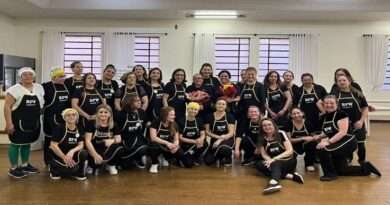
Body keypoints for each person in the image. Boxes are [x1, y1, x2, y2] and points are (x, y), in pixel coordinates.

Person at [315, 95, 381, 181]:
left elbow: (342, 132)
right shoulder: (323, 117)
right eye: (326, 103)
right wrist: (319, 136)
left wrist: (328, 142)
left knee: (323, 149)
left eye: (331, 103)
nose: (329, 105)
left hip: (348, 142)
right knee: (341, 170)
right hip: (337, 143)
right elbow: (328, 131)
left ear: (336, 104)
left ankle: (330, 174)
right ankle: (366, 169)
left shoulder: (341, 114)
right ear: (323, 104)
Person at [4, 67, 44, 178]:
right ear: (20, 77)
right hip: (17, 122)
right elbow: (7, 107)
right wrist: (9, 123)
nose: (28, 76)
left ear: (34, 76)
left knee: (27, 143)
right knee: (15, 144)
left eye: (30, 74)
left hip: (33, 122)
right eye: (24, 75)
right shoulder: (14, 89)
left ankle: (25, 165)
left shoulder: (39, 87)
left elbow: (41, 105)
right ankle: (13, 168)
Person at [256, 118, 304, 195]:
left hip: (288, 160)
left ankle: (274, 182)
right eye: (264, 125)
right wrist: (269, 161)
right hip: (274, 161)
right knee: (259, 165)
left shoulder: (281, 133)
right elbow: (264, 154)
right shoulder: (261, 137)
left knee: (275, 163)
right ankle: (291, 176)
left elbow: (289, 151)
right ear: (262, 128)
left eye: (269, 125)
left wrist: (274, 159)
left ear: (274, 125)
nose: (267, 127)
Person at [331, 75, 369, 164]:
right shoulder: (334, 96)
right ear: (337, 83)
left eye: (344, 80)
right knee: (346, 143)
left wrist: (361, 121)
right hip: (343, 125)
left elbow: (365, 108)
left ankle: (362, 161)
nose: (342, 82)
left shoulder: (358, 94)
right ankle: (348, 160)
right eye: (339, 81)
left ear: (349, 81)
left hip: (357, 123)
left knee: (361, 144)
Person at [149, 106, 192, 173]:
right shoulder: (156, 122)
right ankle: (154, 163)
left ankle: (167, 158)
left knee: (188, 164)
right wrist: (167, 143)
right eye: (171, 115)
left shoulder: (174, 124)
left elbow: (176, 139)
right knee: (154, 147)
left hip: (169, 146)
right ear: (164, 115)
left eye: (174, 115)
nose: (174, 116)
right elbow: (153, 138)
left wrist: (175, 146)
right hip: (158, 144)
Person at [84, 105, 125, 175]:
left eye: (106, 112)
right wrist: (95, 155)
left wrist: (112, 141)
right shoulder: (91, 123)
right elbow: (87, 141)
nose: (103, 114)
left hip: (107, 149)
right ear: (97, 113)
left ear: (110, 114)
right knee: (96, 168)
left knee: (119, 148)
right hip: (94, 149)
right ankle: (90, 165)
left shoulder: (114, 125)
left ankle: (111, 165)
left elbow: (119, 139)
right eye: (101, 112)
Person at [42, 67, 70, 166]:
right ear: (54, 77)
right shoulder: (46, 86)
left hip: (64, 118)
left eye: (64, 76)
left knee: (62, 139)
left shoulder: (67, 86)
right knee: (50, 140)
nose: (63, 78)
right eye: (61, 76)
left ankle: (61, 159)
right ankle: (49, 161)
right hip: (50, 118)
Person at [49, 108, 88, 180]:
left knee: (83, 153)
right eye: (68, 115)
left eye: (74, 115)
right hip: (60, 155)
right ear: (64, 118)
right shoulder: (59, 128)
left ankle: (80, 172)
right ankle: (54, 169)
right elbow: (53, 145)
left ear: (77, 117)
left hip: (71, 155)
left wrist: (72, 151)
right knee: (65, 172)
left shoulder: (79, 128)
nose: (71, 117)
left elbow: (81, 145)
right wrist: (64, 157)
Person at [117, 95, 149, 169]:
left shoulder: (142, 112)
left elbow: (146, 122)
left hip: (139, 139)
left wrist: (149, 123)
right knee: (125, 166)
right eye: (136, 101)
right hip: (126, 140)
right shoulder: (121, 114)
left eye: (139, 100)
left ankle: (138, 160)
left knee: (145, 148)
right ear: (129, 103)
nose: (139, 102)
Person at [204, 98, 235, 167]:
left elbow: (231, 133)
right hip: (214, 139)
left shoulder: (230, 116)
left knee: (223, 148)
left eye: (223, 104)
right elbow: (207, 131)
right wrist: (217, 137)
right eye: (219, 104)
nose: (221, 105)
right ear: (215, 105)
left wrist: (220, 139)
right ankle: (219, 156)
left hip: (227, 139)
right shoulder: (209, 116)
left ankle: (228, 157)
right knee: (208, 161)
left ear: (226, 106)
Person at [286, 107, 317, 172]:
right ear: (291, 115)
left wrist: (312, 138)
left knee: (312, 144)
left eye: (298, 113)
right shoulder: (288, 124)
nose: (296, 115)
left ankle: (309, 164)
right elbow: (289, 140)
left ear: (302, 113)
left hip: (306, 144)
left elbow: (314, 137)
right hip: (293, 145)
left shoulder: (308, 123)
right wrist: (303, 138)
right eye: (294, 114)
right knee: (290, 167)